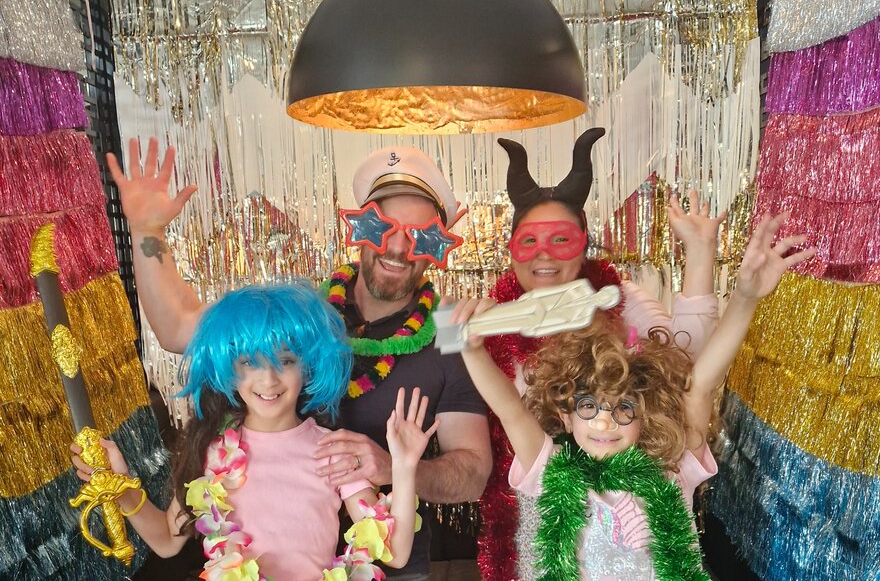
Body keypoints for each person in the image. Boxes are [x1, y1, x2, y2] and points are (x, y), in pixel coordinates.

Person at [107, 138, 492, 579]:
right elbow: (178, 329)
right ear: (360, 226)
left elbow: (473, 473)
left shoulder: (449, 334)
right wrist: (147, 231)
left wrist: (397, 468)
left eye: (420, 236)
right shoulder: (297, 318)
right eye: (382, 227)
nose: (398, 248)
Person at [454, 211, 816, 579]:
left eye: (623, 408)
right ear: (566, 414)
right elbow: (511, 410)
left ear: (646, 411)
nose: (604, 422)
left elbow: (702, 385)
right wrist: (471, 350)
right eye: (588, 405)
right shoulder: (550, 469)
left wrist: (745, 297)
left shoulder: (672, 470)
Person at [477, 128, 726, 580]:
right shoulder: (491, 322)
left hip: (628, 513)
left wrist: (700, 253)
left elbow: (687, 368)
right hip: (530, 512)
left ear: (584, 242)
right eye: (529, 240)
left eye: (561, 239)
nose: (544, 255)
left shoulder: (620, 302)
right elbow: (507, 414)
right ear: (512, 250)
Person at [71, 284, 436, 580]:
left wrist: (404, 468)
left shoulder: (332, 451)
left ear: (309, 366)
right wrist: (121, 488)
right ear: (230, 370)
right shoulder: (213, 451)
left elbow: (396, 553)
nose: (269, 379)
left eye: (286, 360)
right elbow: (167, 540)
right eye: (249, 362)